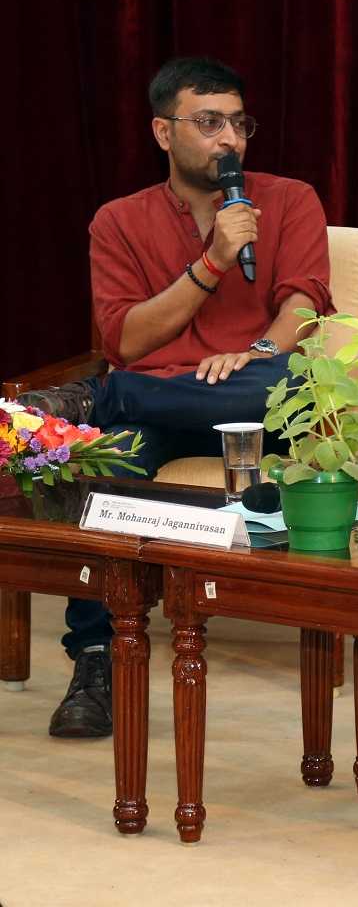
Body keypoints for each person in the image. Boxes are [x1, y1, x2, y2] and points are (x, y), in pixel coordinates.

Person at [20, 56, 333, 738]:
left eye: (239, 124)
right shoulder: (119, 221)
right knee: (111, 468)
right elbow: (128, 338)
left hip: (258, 398)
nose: (230, 140)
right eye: (209, 123)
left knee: (287, 380)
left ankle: (102, 401)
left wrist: (253, 355)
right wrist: (214, 260)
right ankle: (95, 661)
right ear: (164, 133)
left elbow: (304, 309)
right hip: (163, 404)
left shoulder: (290, 199)